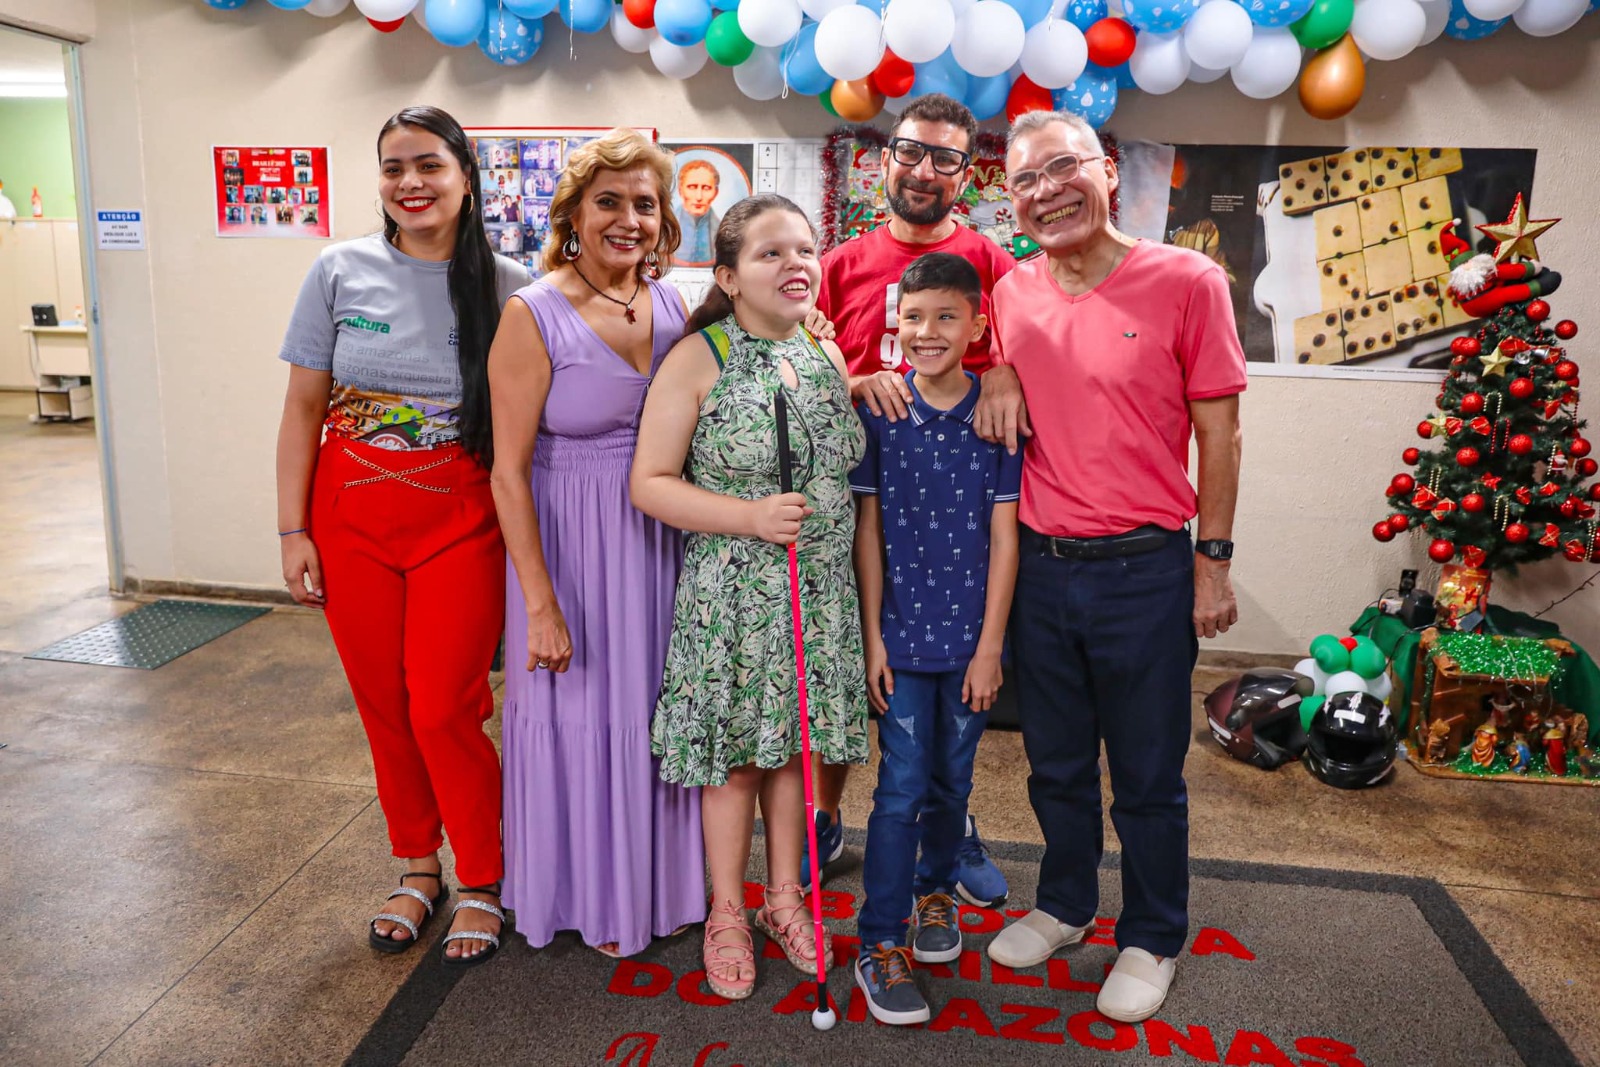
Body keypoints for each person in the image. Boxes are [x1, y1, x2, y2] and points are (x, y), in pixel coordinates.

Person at [979, 111, 1245, 1023]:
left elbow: (1220, 433)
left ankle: (1154, 931)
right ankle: (1064, 903)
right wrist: (996, 371)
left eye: (1063, 168)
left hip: (1145, 569)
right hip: (1043, 572)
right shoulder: (1010, 292)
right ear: (1009, 201)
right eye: (1025, 180)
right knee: (1052, 763)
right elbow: (977, 360)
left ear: (1106, 171)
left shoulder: (1187, 280)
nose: (1047, 190)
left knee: (1146, 772)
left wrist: (1212, 565)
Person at [275, 105, 529, 967]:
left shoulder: (510, 283)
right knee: (384, 705)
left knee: (445, 705)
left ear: (465, 176)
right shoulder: (338, 268)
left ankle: (486, 877)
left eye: (428, 165)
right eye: (393, 168)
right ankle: (418, 867)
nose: (410, 183)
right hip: (348, 522)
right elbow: (303, 408)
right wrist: (291, 529)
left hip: (461, 522)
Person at [631, 194, 869, 1001]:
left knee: (797, 753)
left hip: (820, 593)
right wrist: (748, 516)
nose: (795, 263)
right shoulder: (700, 357)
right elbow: (650, 483)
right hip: (735, 595)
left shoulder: (827, 356)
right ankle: (726, 909)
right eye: (771, 253)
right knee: (735, 758)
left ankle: (785, 899)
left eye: (805, 249)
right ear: (728, 276)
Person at [488, 128, 706, 960]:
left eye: (644, 204)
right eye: (608, 201)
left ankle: (664, 887)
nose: (629, 219)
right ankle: (583, 891)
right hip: (570, 553)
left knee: (656, 715)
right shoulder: (532, 312)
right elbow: (506, 472)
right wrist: (540, 604)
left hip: (660, 550)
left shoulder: (679, 305)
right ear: (573, 213)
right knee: (581, 715)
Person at [807, 92, 1016, 907]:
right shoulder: (841, 263)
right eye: (912, 151)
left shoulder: (991, 262)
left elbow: (1017, 349)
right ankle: (825, 817)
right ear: (884, 158)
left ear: (967, 172)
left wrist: (1002, 369)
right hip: (855, 495)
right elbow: (802, 360)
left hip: (954, 499)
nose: (925, 170)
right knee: (846, 668)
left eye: (945, 158)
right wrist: (852, 380)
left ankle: (949, 822)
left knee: (949, 686)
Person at [849, 253, 1022, 1024]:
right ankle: (878, 938)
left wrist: (991, 646)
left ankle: (934, 895)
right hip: (901, 640)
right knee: (898, 792)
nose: (927, 332)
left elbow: (1005, 535)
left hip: (969, 643)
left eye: (946, 317)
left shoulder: (996, 413)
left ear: (978, 326)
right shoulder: (881, 412)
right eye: (913, 318)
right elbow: (869, 529)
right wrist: (871, 640)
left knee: (954, 783)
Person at [675, 158, 721, 265]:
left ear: (715, 192)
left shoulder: (724, 231)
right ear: (680, 190)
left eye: (706, 188)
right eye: (692, 187)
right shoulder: (663, 228)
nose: (699, 197)